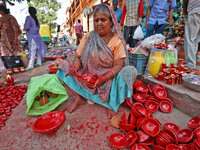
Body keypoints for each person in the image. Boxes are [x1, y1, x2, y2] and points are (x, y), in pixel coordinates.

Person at [57, 4, 137, 119]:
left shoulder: (116, 40)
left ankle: (111, 103)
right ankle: (79, 97)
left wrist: (103, 78)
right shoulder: (88, 36)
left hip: (108, 80)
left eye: (103, 20)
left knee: (129, 71)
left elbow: (119, 65)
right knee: (63, 65)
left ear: (111, 22)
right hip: (87, 78)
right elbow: (77, 56)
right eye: (96, 20)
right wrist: (76, 65)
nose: (99, 23)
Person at [24, 6, 47, 70]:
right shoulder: (36, 20)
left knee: (32, 50)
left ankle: (31, 65)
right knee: (38, 50)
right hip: (37, 36)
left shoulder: (28, 18)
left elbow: (26, 27)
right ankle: (39, 62)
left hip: (32, 37)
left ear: (29, 12)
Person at [183, 0, 200, 69]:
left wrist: (185, 10)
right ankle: (192, 63)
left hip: (194, 11)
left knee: (190, 39)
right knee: (196, 40)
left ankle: (190, 64)